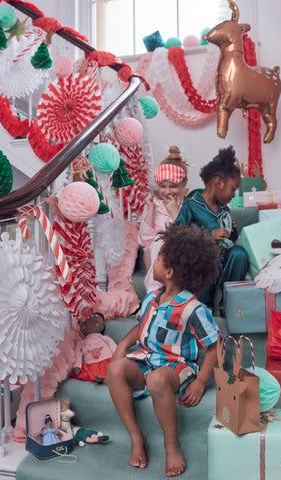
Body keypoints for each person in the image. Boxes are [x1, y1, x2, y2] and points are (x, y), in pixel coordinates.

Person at [107, 224, 219, 477]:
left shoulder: (192, 308)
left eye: (157, 258)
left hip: (175, 367)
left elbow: (214, 347)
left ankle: (172, 445)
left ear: (168, 271)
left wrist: (201, 381)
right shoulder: (153, 297)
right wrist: (124, 345)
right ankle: (137, 437)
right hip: (146, 360)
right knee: (115, 370)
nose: (153, 262)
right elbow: (141, 326)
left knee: (158, 379)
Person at [175, 145, 249, 309]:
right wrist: (208, 236)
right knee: (210, 256)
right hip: (202, 262)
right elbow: (176, 235)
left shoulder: (224, 209)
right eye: (233, 189)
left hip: (225, 259)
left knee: (239, 254)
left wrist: (232, 231)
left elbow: (231, 240)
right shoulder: (191, 205)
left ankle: (229, 304)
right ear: (219, 183)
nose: (233, 195)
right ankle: (204, 307)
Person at [138, 146, 189, 292]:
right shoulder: (155, 205)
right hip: (156, 259)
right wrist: (151, 209)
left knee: (169, 243)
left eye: (173, 187)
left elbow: (187, 236)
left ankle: (172, 296)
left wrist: (174, 212)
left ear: (183, 185)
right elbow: (144, 240)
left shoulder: (187, 206)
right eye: (162, 186)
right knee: (160, 242)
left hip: (180, 256)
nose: (167, 192)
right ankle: (155, 294)